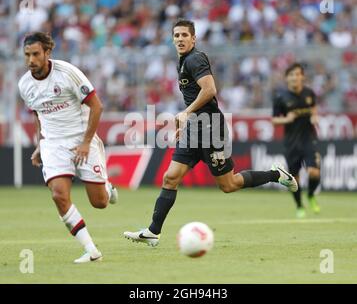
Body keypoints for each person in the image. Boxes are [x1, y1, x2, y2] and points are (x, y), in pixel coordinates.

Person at [123, 19, 298, 246]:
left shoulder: (195, 59)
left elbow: (210, 90)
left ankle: (276, 175)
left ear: (193, 39)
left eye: (184, 35)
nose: (180, 39)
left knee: (229, 185)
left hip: (212, 129)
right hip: (194, 130)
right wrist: (182, 123)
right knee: (170, 177)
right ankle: (153, 231)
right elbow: (193, 96)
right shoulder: (182, 61)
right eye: (176, 35)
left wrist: (186, 112)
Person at [18, 32, 118, 263]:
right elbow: (38, 113)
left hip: (81, 139)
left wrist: (85, 143)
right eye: (27, 55)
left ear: (47, 53)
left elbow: (97, 106)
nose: (31, 60)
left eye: (35, 54)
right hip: (53, 144)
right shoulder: (25, 84)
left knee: (100, 202)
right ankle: (91, 250)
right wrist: (39, 144)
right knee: (59, 195)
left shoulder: (67, 73)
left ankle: (107, 187)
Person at [272, 63, 321, 219]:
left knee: (314, 172)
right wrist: (287, 119)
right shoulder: (280, 97)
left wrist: (314, 116)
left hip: (309, 138)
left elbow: (313, 108)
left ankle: (311, 195)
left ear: (302, 76)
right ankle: (299, 205)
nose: (295, 77)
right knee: (295, 178)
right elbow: (274, 120)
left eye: (298, 74)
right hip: (291, 142)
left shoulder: (309, 93)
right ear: (287, 78)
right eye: (291, 75)